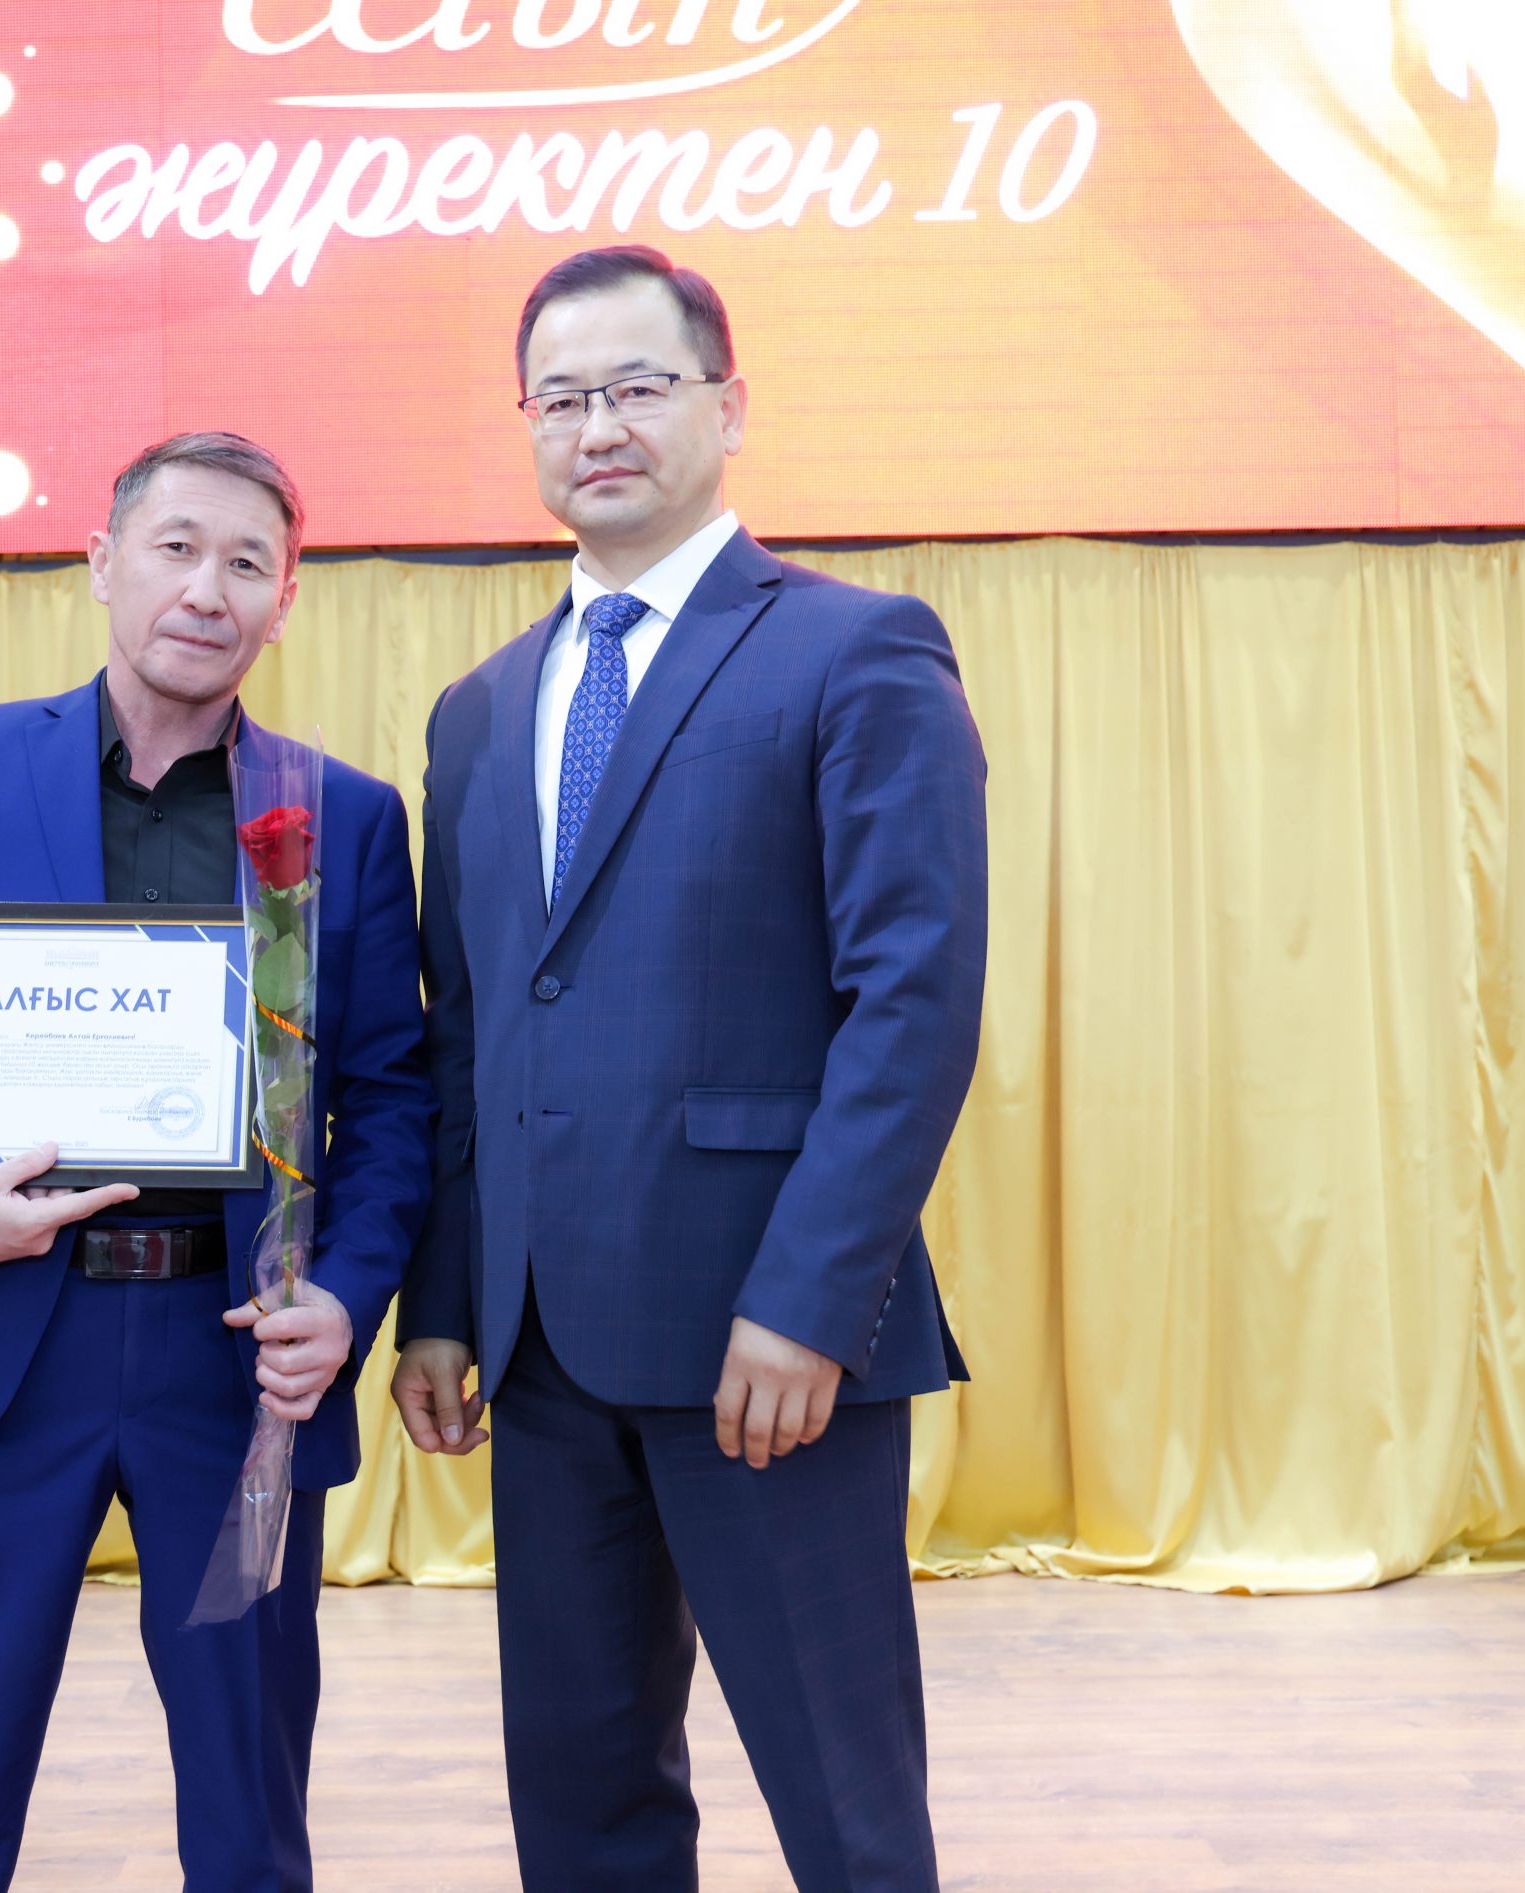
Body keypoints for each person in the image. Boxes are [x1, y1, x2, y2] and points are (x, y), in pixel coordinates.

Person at [392, 246, 987, 1891]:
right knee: (583, 1808)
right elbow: (467, 1030)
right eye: (561, 397)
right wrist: (445, 1299)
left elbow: (912, 1002)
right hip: (540, 1354)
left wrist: (811, 1300)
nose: (599, 425)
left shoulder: (858, 651)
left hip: (765, 1348)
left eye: (639, 386)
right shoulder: (477, 711)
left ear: (727, 407)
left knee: (848, 1816)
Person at [0, 432, 432, 1893]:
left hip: (237, 1362)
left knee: (249, 1796)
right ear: (100, 563)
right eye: (176, 546)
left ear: (284, 603)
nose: (208, 588)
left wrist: (343, 1295)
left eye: (248, 563)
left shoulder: (342, 815)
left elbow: (393, 1100)